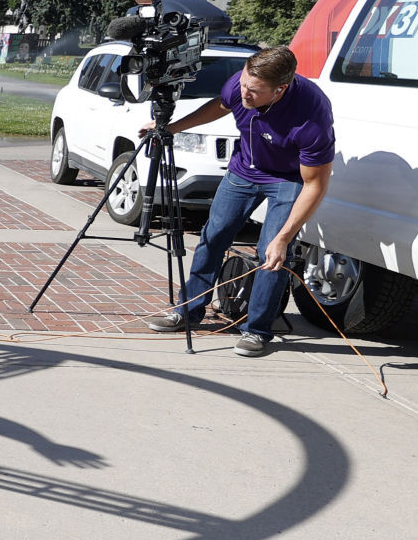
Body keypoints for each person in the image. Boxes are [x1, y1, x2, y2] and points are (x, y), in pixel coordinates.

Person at [142, 45, 334, 357]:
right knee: (213, 237)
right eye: (243, 84)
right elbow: (220, 105)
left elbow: (315, 184)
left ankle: (256, 330)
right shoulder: (241, 84)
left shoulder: (312, 116)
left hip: (287, 179)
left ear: (280, 89)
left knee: (271, 252)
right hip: (243, 170)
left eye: (254, 91)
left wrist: (284, 237)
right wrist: (171, 127)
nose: (243, 93)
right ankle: (188, 311)